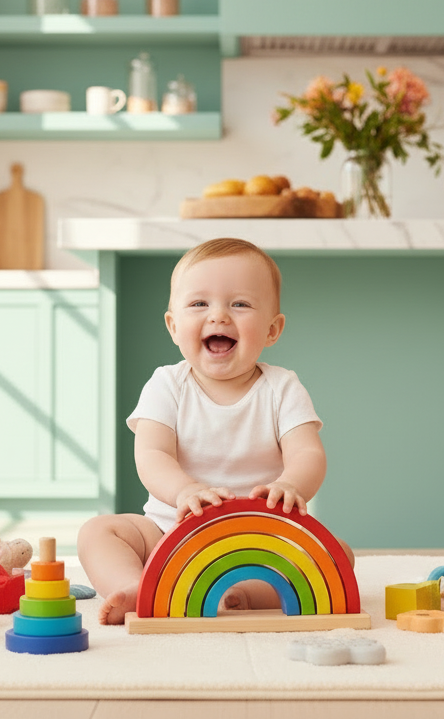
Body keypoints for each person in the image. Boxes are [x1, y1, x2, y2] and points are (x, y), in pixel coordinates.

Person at [77, 237, 352, 625]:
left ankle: (236, 592)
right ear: (173, 326)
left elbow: (308, 453)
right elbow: (152, 454)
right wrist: (183, 491)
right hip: (170, 532)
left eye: (239, 304)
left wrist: (292, 485)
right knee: (98, 531)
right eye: (199, 304)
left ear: (273, 330)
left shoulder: (282, 388)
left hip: (257, 539)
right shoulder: (166, 384)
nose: (219, 316)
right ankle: (139, 587)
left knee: (337, 553)